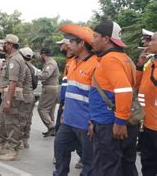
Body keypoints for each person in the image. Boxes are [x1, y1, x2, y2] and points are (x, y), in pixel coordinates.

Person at [89, 21, 138, 176]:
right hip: (119, 121)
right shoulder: (125, 58)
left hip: (110, 124)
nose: (92, 40)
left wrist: (119, 122)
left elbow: (124, 89)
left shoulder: (110, 60)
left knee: (106, 168)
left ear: (106, 39)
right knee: (126, 167)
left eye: (95, 36)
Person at [53, 24, 97, 176]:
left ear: (82, 44)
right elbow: (70, 92)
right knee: (60, 147)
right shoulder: (72, 62)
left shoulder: (96, 64)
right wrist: (64, 111)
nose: (68, 45)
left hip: (86, 123)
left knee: (89, 160)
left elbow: (96, 97)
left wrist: (93, 121)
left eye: (72, 42)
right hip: (69, 120)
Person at [0, 34, 27, 161]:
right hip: (6, 94)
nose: (3, 46)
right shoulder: (10, 59)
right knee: (2, 122)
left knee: (12, 123)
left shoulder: (15, 60)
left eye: (5, 44)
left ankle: (13, 151)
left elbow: (13, 82)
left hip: (12, 96)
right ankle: (0, 146)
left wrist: (8, 101)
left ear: (10, 45)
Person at [136, 32, 157, 176]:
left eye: (153, 40)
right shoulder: (150, 63)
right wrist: (139, 65)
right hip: (147, 124)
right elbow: (136, 85)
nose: (148, 43)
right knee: (148, 162)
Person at [37, 47, 60, 137]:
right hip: (52, 88)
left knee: (41, 109)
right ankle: (52, 130)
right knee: (50, 110)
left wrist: (35, 75)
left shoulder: (50, 63)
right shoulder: (50, 62)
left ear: (43, 54)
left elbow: (46, 75)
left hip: (49, 88)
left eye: (40, 55)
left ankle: (51, 126)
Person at [18, 47, 35, 149]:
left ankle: (19, 141)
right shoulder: (32, 67)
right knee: (28, 119)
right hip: (31, 94)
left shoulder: (23, 67)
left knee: (21, 118)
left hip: (24, 95)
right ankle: (25, 140)